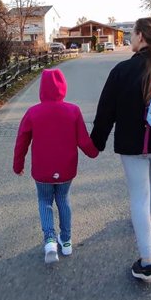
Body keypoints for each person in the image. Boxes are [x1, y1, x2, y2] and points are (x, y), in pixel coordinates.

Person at [90, 17, 151, 283]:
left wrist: (95, 144)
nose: (129, 38)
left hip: (134, 146)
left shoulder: (122, 71)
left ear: (140, 36)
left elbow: (105, 113)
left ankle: (147, 263)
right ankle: (147, 221)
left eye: (132, 34)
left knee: (139, 195)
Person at [13, 68, 99, 264]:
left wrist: (18, 165)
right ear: (63, 88)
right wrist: (93, 152)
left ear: (42, 89)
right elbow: (84, 141)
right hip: (66, 169)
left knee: (44, 201)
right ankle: (66, 241)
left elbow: (21, 141)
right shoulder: (73, 111)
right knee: (63, 199)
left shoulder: (33, 112)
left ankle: (50, 239)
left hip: (42, 171)